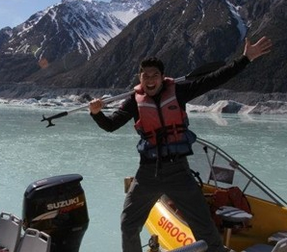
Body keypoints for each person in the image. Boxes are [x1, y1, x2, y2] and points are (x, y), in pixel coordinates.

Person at [88, 36, 273, 252]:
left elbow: (215, 78)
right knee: (128, 224)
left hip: (179, 172)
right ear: (140, 78)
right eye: (145, 75)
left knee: (205, 229)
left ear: (162, 77)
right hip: (147, 174)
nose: (149, 80)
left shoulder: (179, 91)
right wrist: (96, 113)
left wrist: (245, 59)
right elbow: (111, 125)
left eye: (154, 75)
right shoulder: (133, 102)